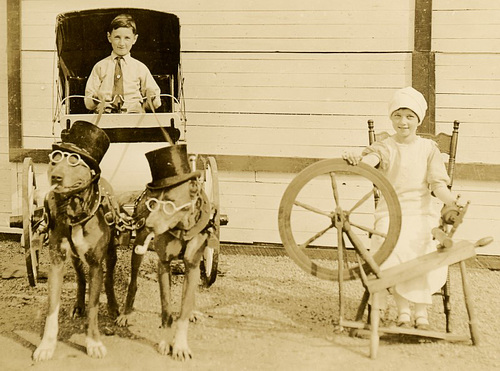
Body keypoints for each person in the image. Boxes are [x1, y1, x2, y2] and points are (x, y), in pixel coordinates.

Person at [343, 86, 457, 330]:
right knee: (390, 242)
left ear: (418, 119)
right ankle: (404, 312)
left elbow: (437, 184)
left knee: (423, 243)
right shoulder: (385, 146)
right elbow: (369, 161)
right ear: (391, 117)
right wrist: (357, 158)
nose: (403, 122)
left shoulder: (428, 149)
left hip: (421, 212)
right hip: (390, 213)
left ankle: (421, 313)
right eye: (397, 115)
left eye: (409, 116)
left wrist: (450, 202)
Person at [84, 14, 161, 113]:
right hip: (104, 117)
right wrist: (96, 97)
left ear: (135, 39)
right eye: (117, 37)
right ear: (109, 37)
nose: (121, 43)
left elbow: (156, 103)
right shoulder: (100, 67)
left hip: (134, 117)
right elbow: (88, 104)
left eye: (127, 38)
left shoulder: (140, 68)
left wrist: (151, 96)